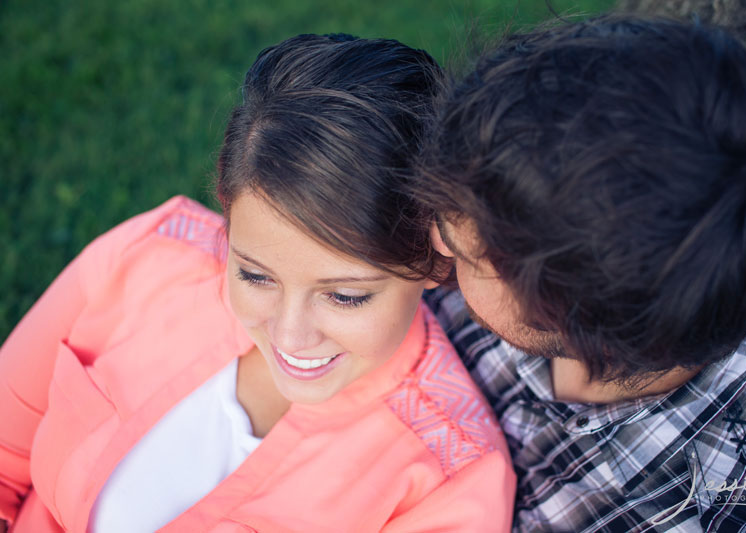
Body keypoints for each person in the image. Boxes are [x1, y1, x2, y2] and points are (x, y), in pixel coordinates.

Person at [0, 34, 515, 532]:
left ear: (435, 256)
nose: (290, 337)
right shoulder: (144, 256)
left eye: (344, 296)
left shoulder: (449, 483)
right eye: (254, 274)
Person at [415, 14, 746, 532]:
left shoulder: (696, 509)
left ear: (572, 321)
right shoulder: (525, 239)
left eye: (467, 256)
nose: (433, 242)